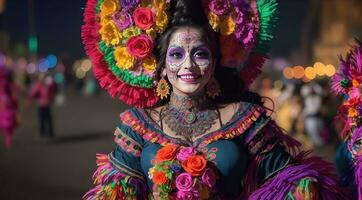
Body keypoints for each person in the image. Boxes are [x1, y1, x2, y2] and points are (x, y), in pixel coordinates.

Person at [82, 0, 350, 199]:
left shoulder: (245, 120)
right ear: (161, 66)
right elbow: (116, 191)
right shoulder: (139, 125)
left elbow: (286, 181)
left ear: (214, 64)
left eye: (200, 54)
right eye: (176, 55)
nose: (189, 65)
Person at [29, 73, 57, 138]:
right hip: (42, 104)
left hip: (46, 104)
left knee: (47, 119)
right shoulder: (39, 85)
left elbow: (53, 90)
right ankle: (43, 132)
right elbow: (33, 93)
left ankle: (49, 132)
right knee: (43, 119)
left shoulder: (48, 85)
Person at [0, 65, 18, 148]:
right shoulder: (9, 84)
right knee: (8, 125)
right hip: (7, 107)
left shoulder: (6, 83)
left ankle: (8, 139)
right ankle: (8, 139)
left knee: (6, 123)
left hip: (6, 107)